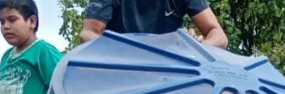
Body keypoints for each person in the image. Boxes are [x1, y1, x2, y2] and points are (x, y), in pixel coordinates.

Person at [80, 0, 228, 47]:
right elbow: (88, 33)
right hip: (121, 66)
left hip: (170, 67)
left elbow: (219, 36)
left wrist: (195, 48)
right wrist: (124, 51)